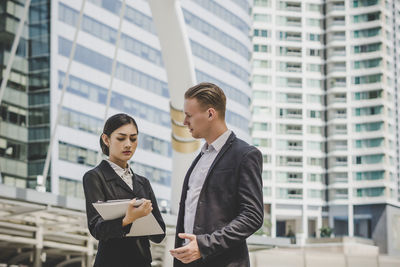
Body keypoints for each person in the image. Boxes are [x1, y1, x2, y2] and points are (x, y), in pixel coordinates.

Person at [170, 83, 264, 267]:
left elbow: (252, 215)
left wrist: (204, 245)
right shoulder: (200, 159)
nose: (184, 122)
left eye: (189, 115)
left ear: (210, 114)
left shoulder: (245, 155)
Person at [83, 113, 166, 267]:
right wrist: (127, 219)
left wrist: (145, 218)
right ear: (106, 140)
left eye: (133, 139)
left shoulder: (143, 182)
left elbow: (159, 234)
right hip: (111, 262)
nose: (128, 144)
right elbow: (97, 229)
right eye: (121, 138)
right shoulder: (95, 177)